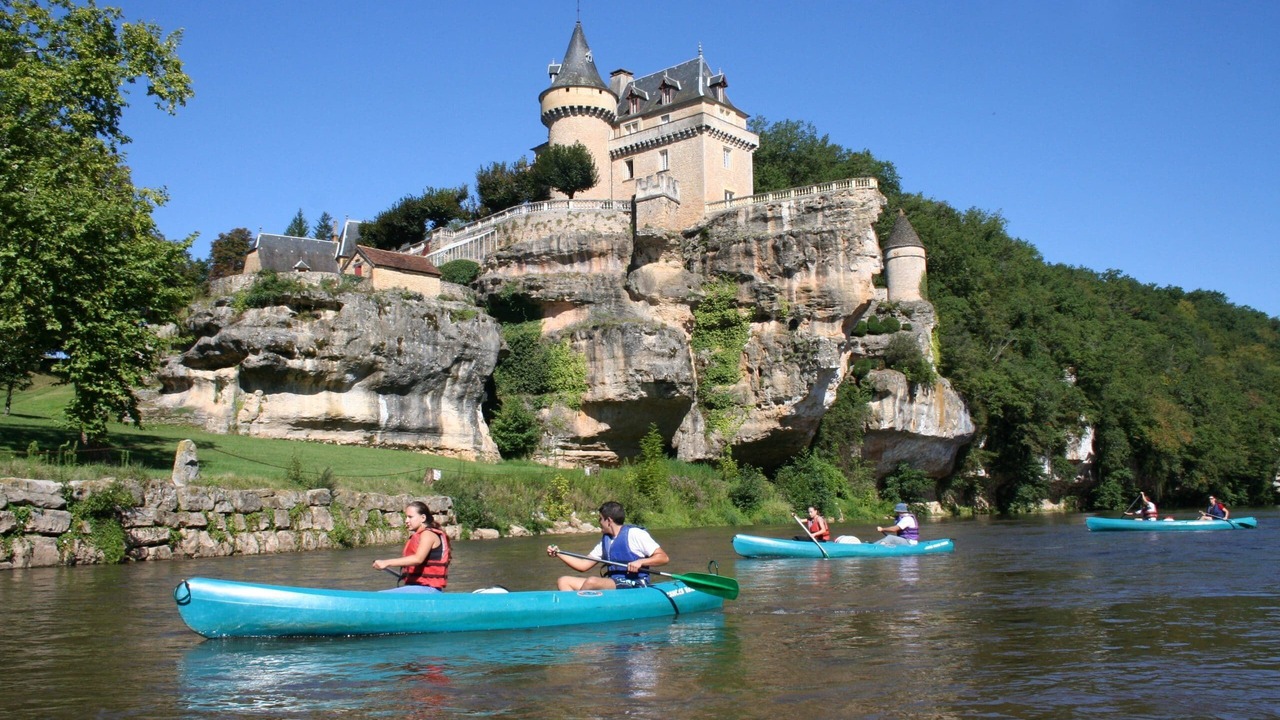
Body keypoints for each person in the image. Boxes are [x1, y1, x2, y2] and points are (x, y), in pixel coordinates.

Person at [546, 501, 668, 590]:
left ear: (609, 521)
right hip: (614, 582)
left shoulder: (635, 534)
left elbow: (663, 557)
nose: (599, 522)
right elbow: (583, 565)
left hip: (635, 583)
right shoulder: (606, 541)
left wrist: (641, 562)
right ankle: (572, 607)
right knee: (564, 581)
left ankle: (578, 608)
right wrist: (559, 553)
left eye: (600, 519)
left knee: (592, 582)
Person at [373, 501, 450, 592]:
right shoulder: (420, 535)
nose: (406, 521)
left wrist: (386, 562)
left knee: (378, 596)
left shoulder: (428, 534)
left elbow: (418, 559)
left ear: (423, 518)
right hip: (417, 588)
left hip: (429, 590)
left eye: (410, 517)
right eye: (406, 517)